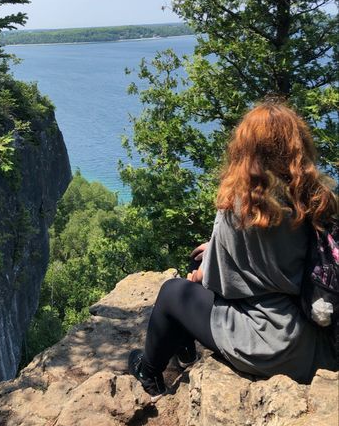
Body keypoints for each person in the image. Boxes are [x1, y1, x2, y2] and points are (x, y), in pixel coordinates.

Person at [128, 100, 338, 402]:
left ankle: (148, 373)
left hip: (265, 345)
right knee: (200, 266)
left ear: (246, 149)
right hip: (311, 339)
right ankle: (184, 350)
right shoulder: (316, 200)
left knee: (175, 293)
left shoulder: (241, 208)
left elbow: (217, 283)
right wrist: (216, 247)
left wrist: (203, 269)